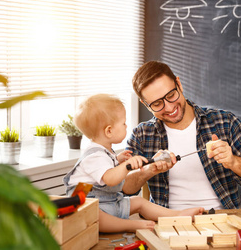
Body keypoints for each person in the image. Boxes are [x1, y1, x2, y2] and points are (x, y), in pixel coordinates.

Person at [123, 61, 241, 210]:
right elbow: (124, 188)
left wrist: (233, 161)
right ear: (145, 104)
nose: (169, 107)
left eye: (171, 95)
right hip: (167, 223)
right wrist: (149, 170)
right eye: (156, 104)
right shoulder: (141, 134)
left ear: (178, 84)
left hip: (223, 220)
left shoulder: (224, 121)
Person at [63, 94, 204, 233]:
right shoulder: (94, 156)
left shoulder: (104, 151)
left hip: (110, 202)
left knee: (138, 201)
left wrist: (118, 159)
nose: (126, 126)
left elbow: (105, 166)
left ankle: (177, 215)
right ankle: (129, 225)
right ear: (109, 131)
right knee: (96, 217)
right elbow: (110, 179)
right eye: (123, 123)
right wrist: (125, 166)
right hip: (90, 206)